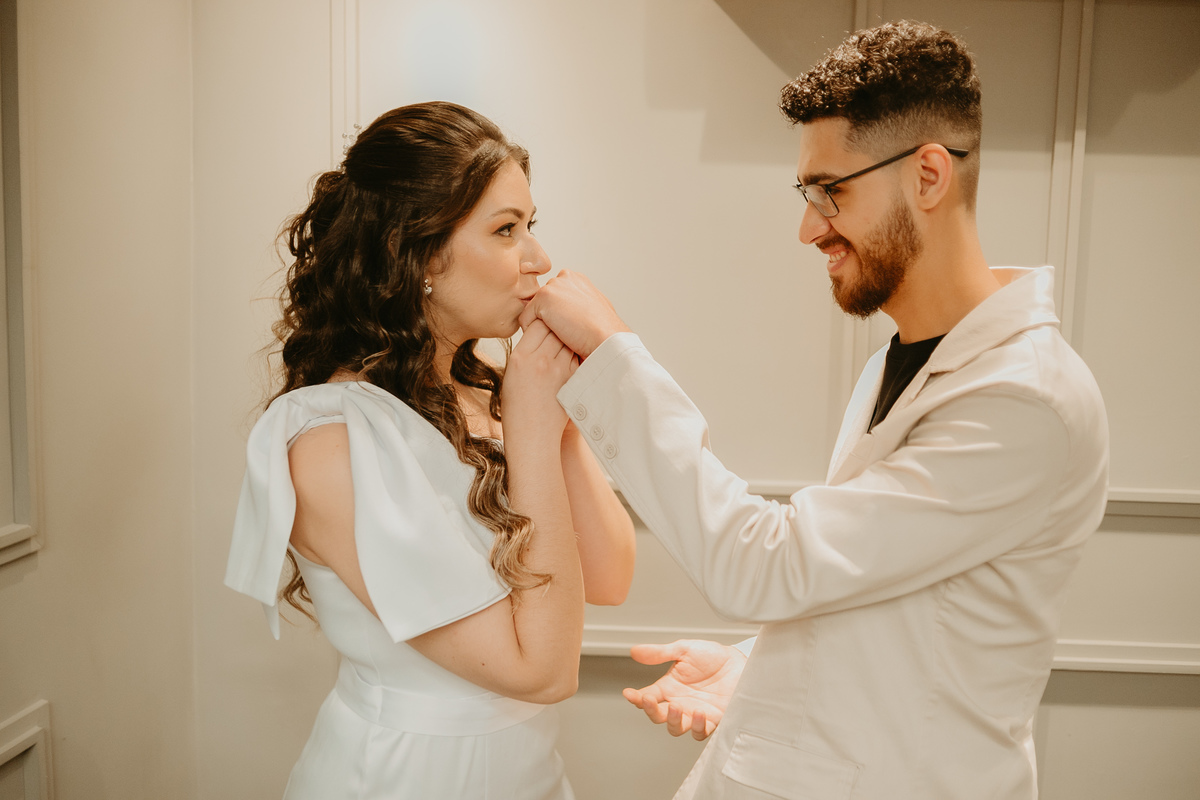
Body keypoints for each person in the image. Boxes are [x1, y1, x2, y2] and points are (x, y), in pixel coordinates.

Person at [520, 20, 1108, 800]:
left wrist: (613, 358)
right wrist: (753, 669)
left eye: (832, 191)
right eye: (808, 194)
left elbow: (765, 565)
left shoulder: (1023, 401)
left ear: (928, 175)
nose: (809, 228)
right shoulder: (898, 363)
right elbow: (882, 585)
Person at [224, 101, 635, 800]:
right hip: (406, 777)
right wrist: (533, 430)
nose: (539, 260)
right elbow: (542, 673)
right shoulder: (331, 441)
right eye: (506, 230)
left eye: (531, 225)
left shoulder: (491, 393)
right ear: (414, 253)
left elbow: (609, 577)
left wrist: (558, 409)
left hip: (528, 774)